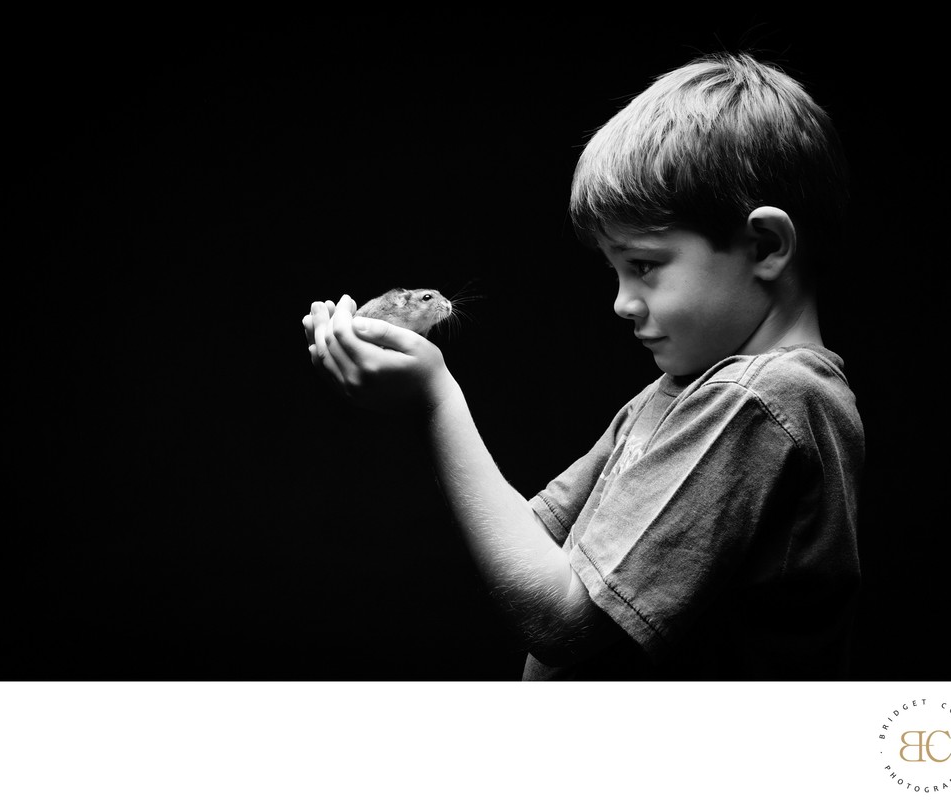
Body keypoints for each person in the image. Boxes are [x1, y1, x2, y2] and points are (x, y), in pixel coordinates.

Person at [303, 52, 863, 680]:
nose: (621, 303)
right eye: (615, 270)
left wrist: (435, 400)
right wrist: (402, 380)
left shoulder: (759, 402)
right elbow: (530, 538)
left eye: (644, 265)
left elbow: (563, 621)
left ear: (764, 247)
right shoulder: (677, 395)